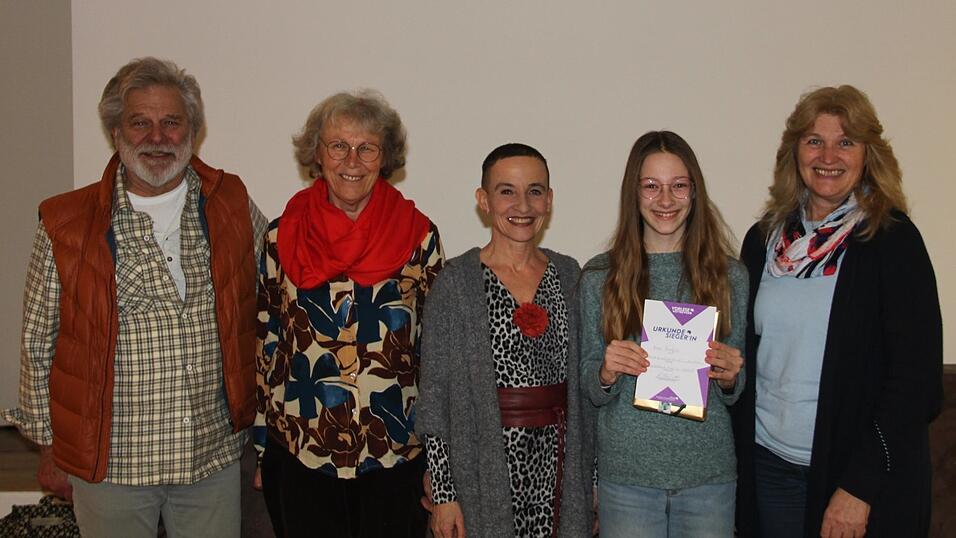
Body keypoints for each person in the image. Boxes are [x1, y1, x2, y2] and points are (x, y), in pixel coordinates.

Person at [1, 57, 268, 537]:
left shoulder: (230, 202)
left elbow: (271, 298)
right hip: (111, 468)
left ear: (193, 130)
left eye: (172, 122)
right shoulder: (66, 222)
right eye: (140, 122)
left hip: (210, 458)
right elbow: (38, 341)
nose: (158, 137)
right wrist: (49, 445)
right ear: (115, 131)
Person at [733, 85, 943, 538]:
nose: (828, 154)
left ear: (869, 154)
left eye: (845, 141)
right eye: (814, 140)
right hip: (769, 466)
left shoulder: (893, 242)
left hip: (855, 479)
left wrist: (859, 487)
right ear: (795, 152)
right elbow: (743, 351)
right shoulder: (764, 240)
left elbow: (916, 381)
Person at [255, 89, 444, 538]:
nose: (351, 160)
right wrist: (264, 446)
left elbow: (436, 354)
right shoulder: (282, 237)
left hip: (395, 453)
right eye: (338, 145)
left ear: (385, 157)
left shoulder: (420, 238)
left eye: (367, 147)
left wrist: (441, 463)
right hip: (302, 450)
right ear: (317, 155)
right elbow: (267, 341)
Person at [416, 143, 595, 538]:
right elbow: (434, 398)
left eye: (534, 190)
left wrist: (592, 480)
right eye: (506, 191)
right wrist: (445, 494)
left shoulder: (570, 275)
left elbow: (586, 391)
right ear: (483, 200)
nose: (523, 204)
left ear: (549, 200)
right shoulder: (455, 283)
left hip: (560, 469)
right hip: (479, 471)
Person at [578, 131, 747, 537]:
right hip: (627, 478)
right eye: (651, 186)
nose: (665, 200)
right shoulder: (599, 277)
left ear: (695, 192)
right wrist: (605, 372)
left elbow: (736, 385)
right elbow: (586, 379)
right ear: (633, 193)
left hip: (708, 476)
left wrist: (729, 376)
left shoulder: (731, 276)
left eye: (679, 186)